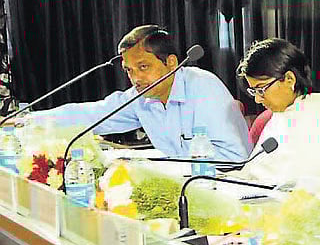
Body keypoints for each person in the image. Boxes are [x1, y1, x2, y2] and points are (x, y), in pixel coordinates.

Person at [30, 25, 250, 161]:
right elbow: (95, 114)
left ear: (171, 63)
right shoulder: (144, 96)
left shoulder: (203, 89)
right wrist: (28, 121)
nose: (135, 78)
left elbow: (234, 158)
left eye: (143, 67)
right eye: (129, 71)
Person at [236, 38, 320, 184]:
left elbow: (302, 184)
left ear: (290, 79)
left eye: (261, 89)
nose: (258, 100)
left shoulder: (316, 119)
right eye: (254, 91)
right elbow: (253, 172)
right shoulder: (285, 113)